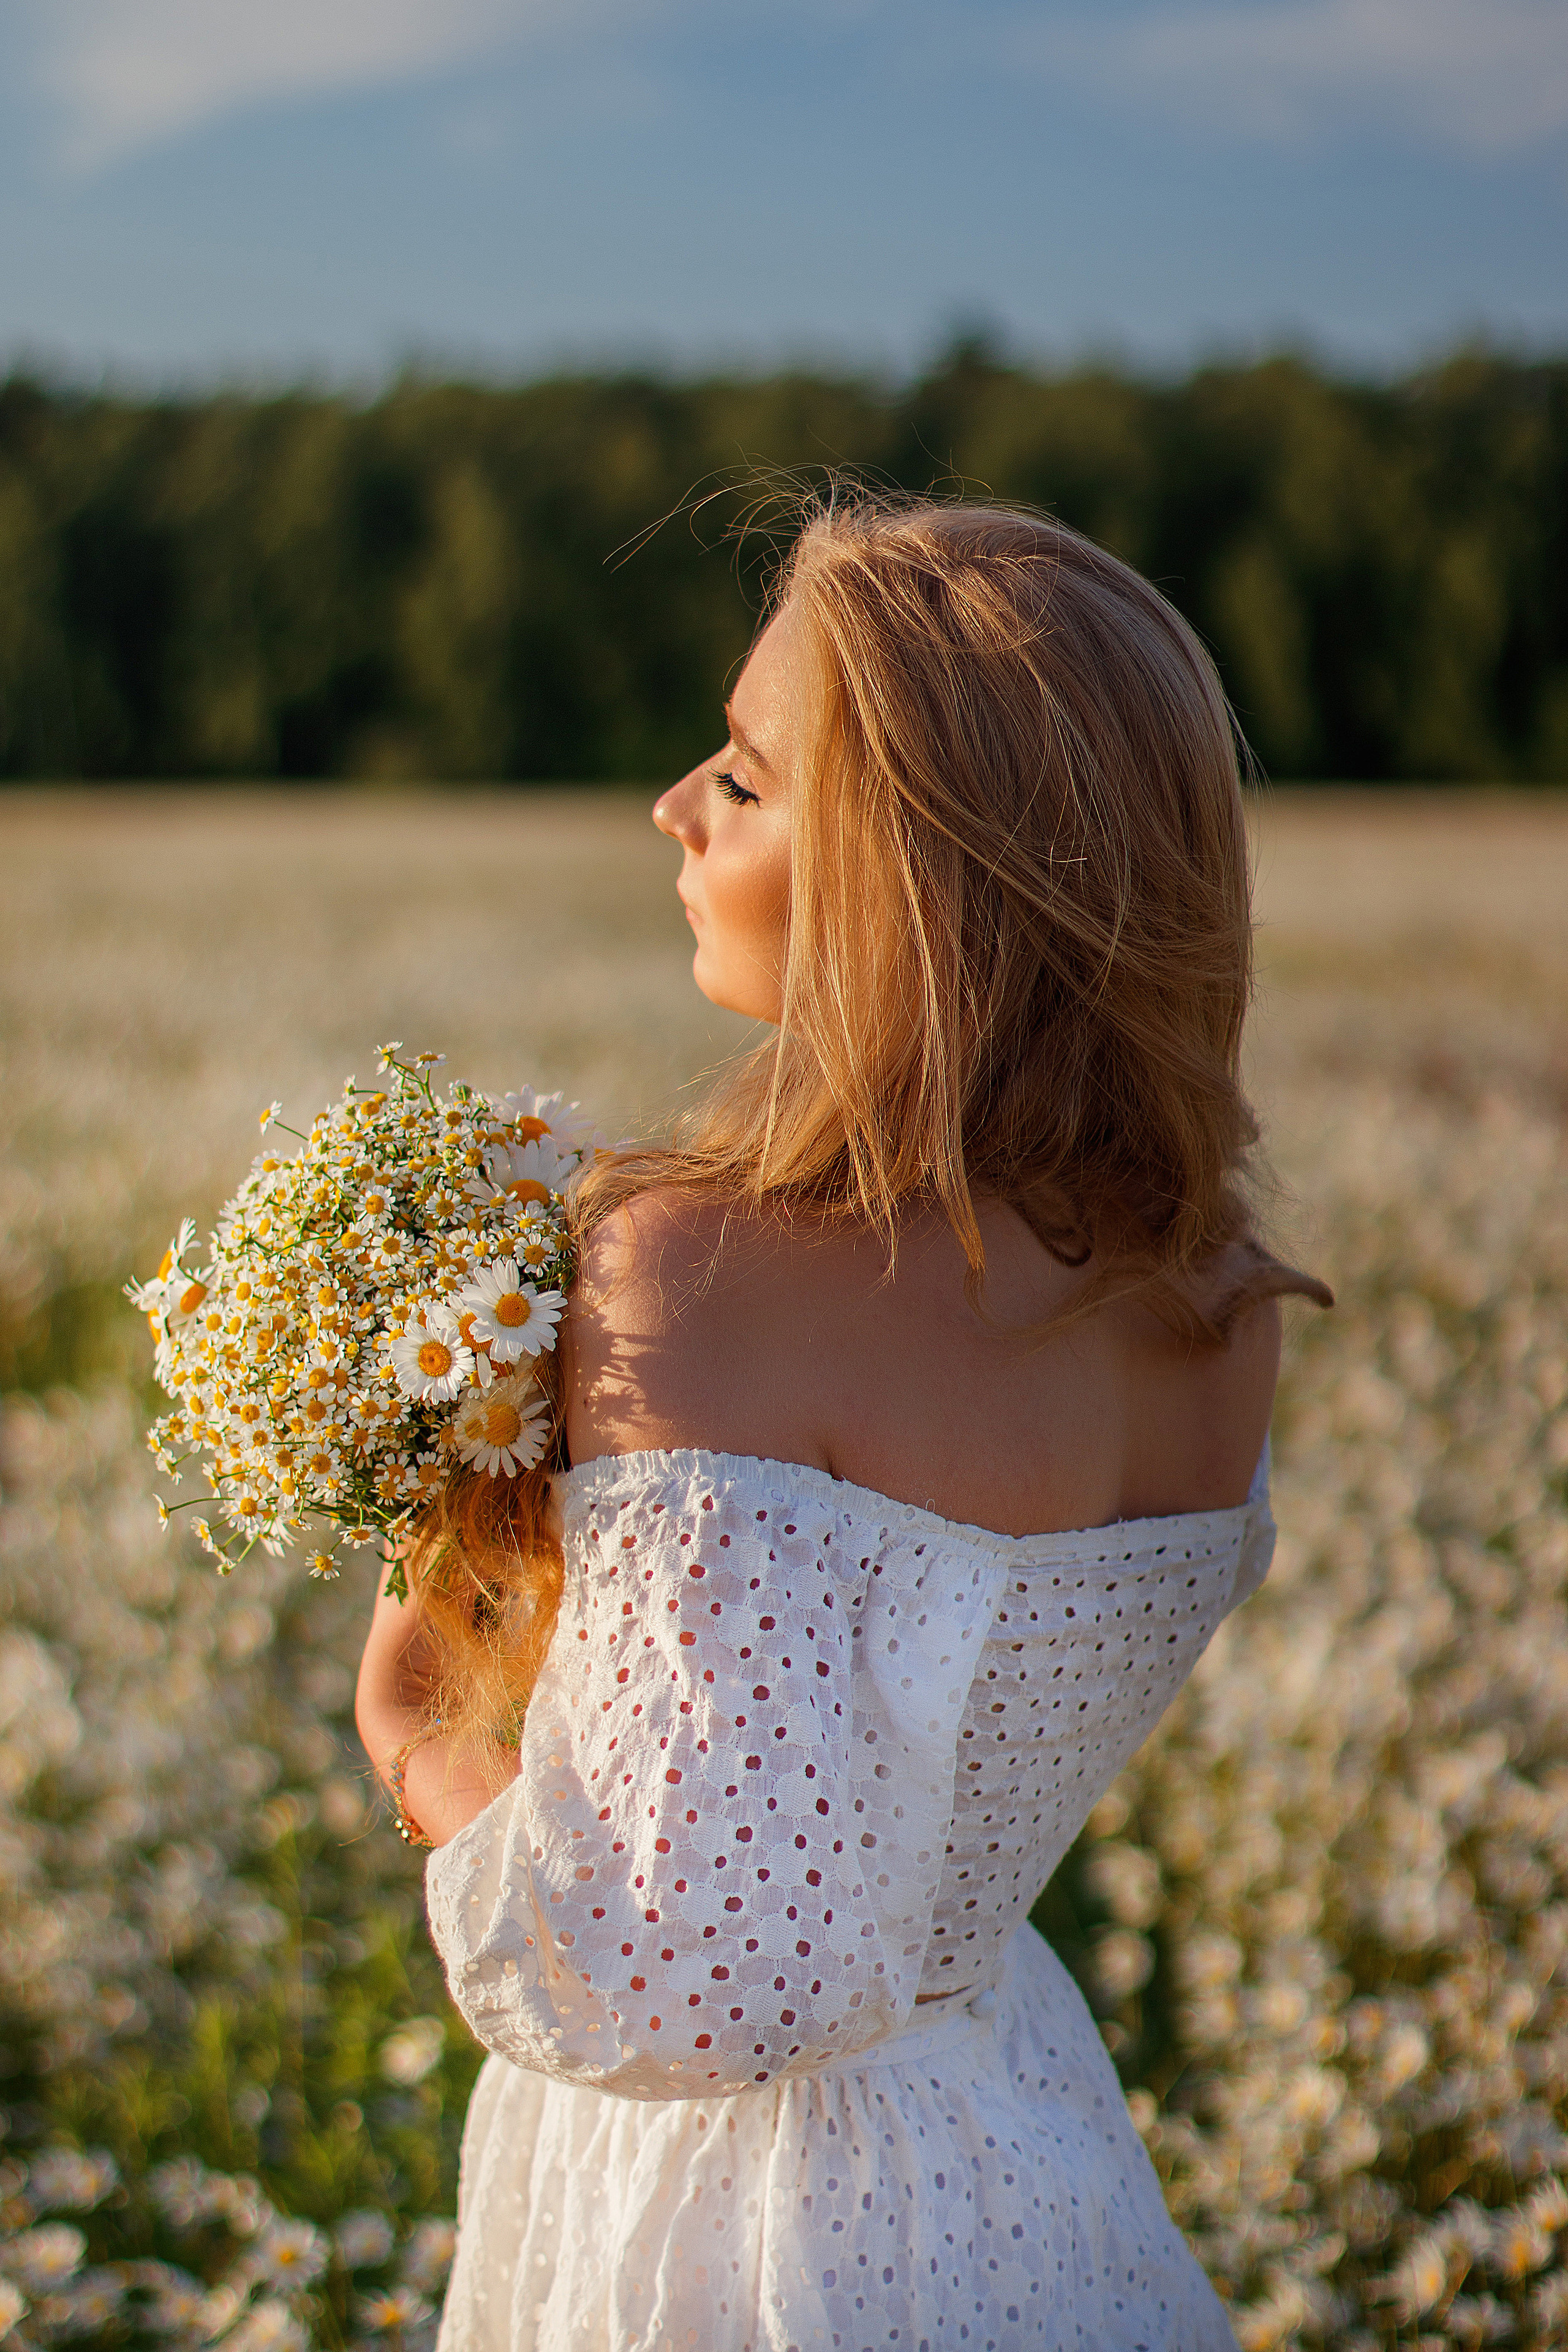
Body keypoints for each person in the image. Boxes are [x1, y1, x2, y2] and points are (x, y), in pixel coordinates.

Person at [356, 494, 1330, 2351]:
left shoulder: (688, 1273)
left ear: (907, 872)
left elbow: (657, 1981)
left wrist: (412, 1707)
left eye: (741, 772)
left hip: (735, 2237)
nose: (676, 806)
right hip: (1018, 2145)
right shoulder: (1212, 1304)